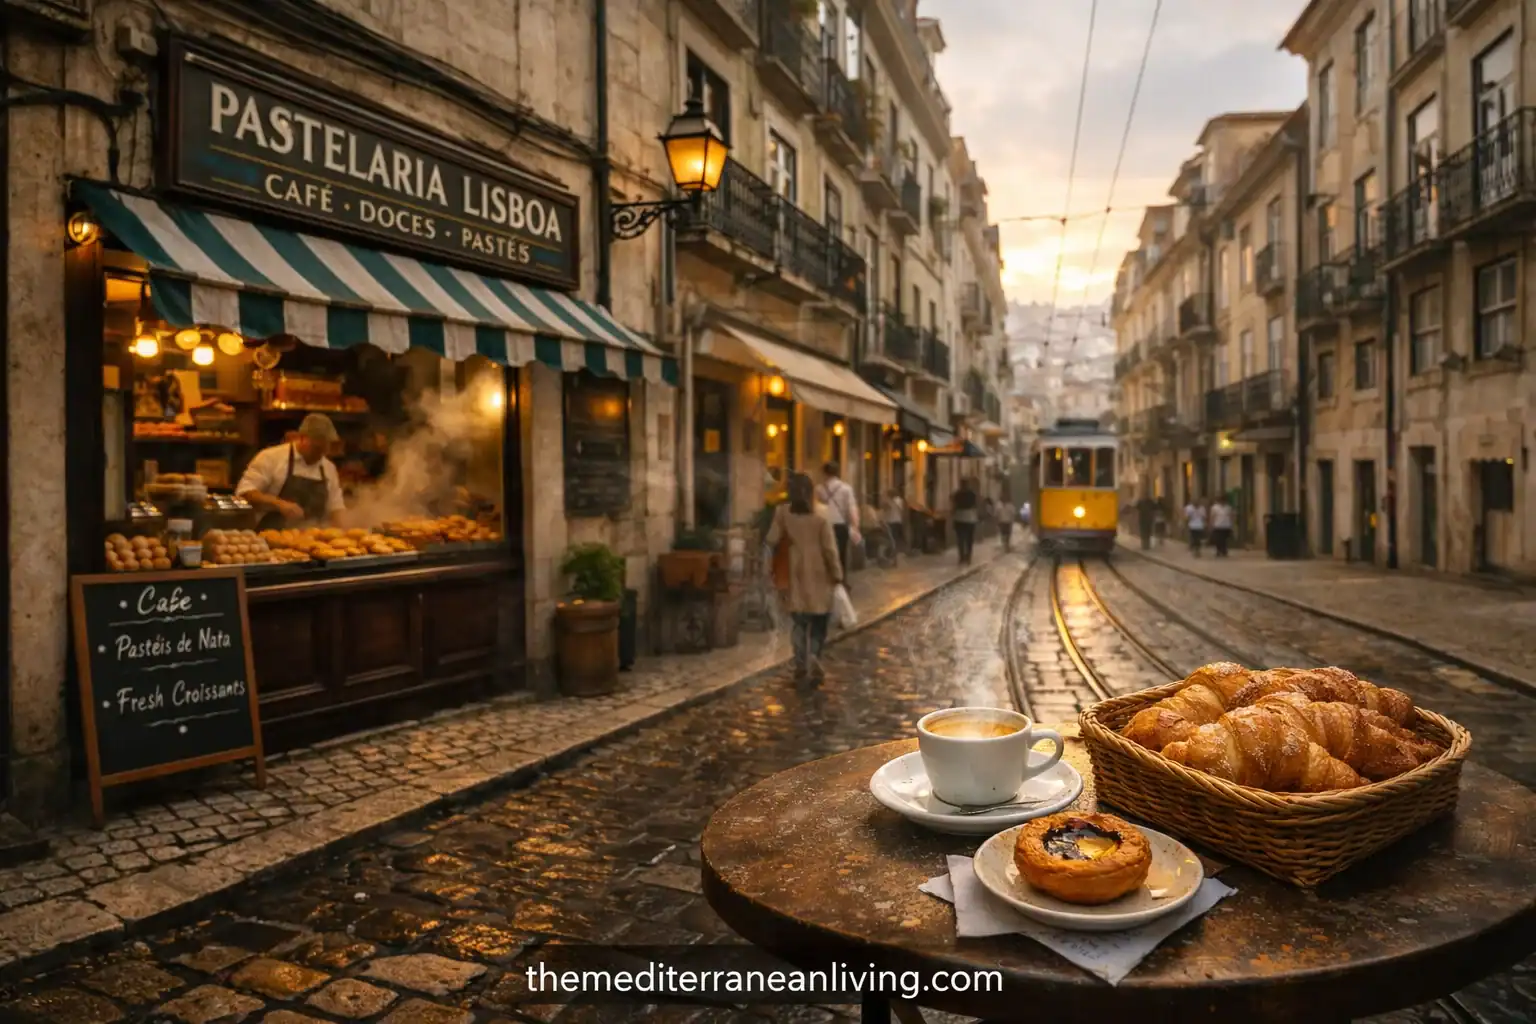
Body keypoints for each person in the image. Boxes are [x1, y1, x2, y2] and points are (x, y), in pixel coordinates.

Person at [766, 472, 843, 683]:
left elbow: (771, 538)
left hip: (795, 574)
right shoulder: (821, 516)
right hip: (820, 575)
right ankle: (814, 655)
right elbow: (830, 550)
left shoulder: (783, 513)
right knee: (819, 622)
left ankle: (800, 663)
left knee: (799, 623)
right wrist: (837, 574)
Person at [237, 414, 346, 529]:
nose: (320, 456)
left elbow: (336, 506)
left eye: (324, 451)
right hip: (270, 534)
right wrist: (279, 504)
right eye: (317, 449)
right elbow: (245, 492)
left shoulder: (328, 468)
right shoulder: (271, 458)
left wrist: (344, 530)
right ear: (303, 438)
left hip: (312, 536)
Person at [817, 462, 860, 584]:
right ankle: (840, 581)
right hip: (840, 526)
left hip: (823, 525)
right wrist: (855, 527)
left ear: (824, 473)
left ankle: (827, 580)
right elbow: (852, 509)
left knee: (825, 554)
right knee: (841, 554)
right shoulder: (846, 488)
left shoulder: (819, 489)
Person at [952, 478, 979, 566]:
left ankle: (962, 557)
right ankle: (968, 557)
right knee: (969, 539)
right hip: (970, 518)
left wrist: (953, 515)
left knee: (960, 539)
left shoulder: (957, 494)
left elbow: (954, 506)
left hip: (959, 517)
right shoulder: (972, 494)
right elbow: (975, 505)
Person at [997, 484, 1015, 552]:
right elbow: (997, 513)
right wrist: (997, 521)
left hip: (1008, 521)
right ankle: (1004, 545)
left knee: (1007, 534)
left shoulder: (1010, 505)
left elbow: (1012, 513)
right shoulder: (999, 504)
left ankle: (1006, 545)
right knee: (1002, 534)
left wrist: (1012, 521)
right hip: (1001, 521)